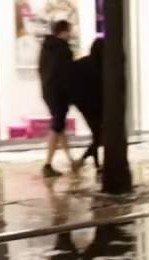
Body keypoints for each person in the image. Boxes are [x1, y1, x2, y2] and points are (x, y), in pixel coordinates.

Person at [39, 19, 76, 178]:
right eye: (69, 31)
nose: (71, 34)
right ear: (64, 31)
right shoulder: (63, 49)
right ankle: (47, 165)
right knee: (57, 126)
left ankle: (71, 160)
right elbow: (67, 74)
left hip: (48, 91)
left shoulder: (47, 47)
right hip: (59, 93)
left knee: (59, 126)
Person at [71, 38, 104, 172]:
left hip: (84, 106)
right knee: (99, 136)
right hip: (96, 106)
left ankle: (95, 163)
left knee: (97, 135)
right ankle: (85, 160)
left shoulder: (81, 63)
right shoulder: (101, 66)